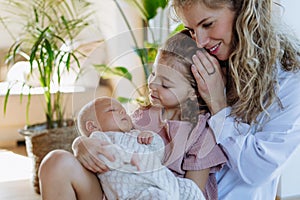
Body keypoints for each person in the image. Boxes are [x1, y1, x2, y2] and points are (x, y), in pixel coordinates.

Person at [38, 30, 227, 200]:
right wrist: (81, 144)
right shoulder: (141, 116)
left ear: (193, 91)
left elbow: (192, 192)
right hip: (112, 188)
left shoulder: (202, 134)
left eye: (165, 84)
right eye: (153, 74)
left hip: (161, 194)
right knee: (56, 162)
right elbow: (105, 140)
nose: (152, 84)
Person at [170, 0, 300, 199]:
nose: (200, 41)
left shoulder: (290, 78)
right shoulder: (202, 59)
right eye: (192, 30)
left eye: (207, 24)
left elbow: (258, 170)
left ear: (243, 10)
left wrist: (218, 105)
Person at [76, 96, 205, 200]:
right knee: (156, 196)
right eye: (112, 110)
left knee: (190, 187)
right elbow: (103, 156)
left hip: (165, 181)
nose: (122, 111)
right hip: (135, 190)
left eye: (123, 110)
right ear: (92, 126)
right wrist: (126, 157)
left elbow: (160, 155)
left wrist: (152, 139)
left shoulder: (136, 134)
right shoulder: (99, 138)